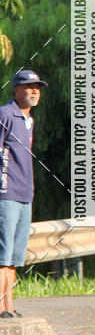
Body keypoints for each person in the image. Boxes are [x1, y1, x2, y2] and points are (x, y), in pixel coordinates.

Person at [0, 70, 47, 319]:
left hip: (25, 194)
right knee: (2, 254)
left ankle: (9, 306)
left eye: (37, 87)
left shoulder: (29, 120)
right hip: (6, 194)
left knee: (15, 257)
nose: (34, 91)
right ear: (16, 90)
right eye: (28, 87)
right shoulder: (5, 114)